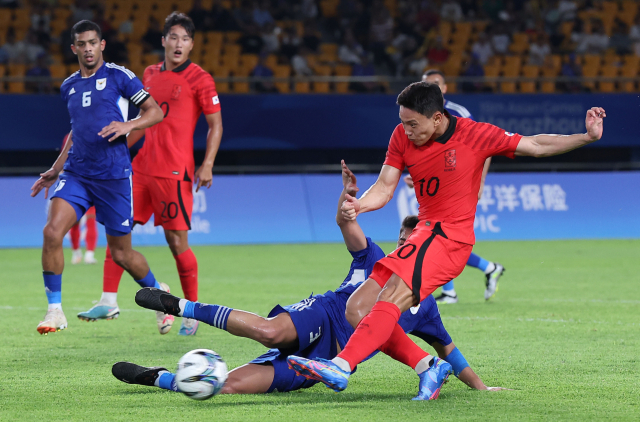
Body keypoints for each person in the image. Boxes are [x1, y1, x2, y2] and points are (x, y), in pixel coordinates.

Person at [287, 81, 606, 397]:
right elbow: (385, 187)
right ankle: (428, 365)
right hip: (425, 234)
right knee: (356, 308)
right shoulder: (402, 136)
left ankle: (342, 366)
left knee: (391, 298)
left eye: (413, 123)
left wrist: (587, 137)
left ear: (437, 118)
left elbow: (535, 145)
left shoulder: (476, 134)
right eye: (403, 122)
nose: (406, 130)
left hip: (450, 238)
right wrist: (359, 205)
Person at [112, 161, 505, 397]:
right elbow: (345, 224)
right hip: (323, 313)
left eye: (413, 241)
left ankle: (157, 378)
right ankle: (180, 306)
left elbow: (450, 354)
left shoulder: (427, 309)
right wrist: (347, 200)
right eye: (404, 239)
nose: (406, 246)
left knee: (225, 386)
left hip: (323, 362)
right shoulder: (375, 259)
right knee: (268, 331)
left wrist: (482, 388)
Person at [78, 13, 223, 336]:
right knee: (118, 232)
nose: (178, 43)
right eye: (173, 36)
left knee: (176, 242)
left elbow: (216, 125)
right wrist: (116, 150)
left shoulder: (201, 79)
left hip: (174, 173)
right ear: (163, 40)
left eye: (185, 39)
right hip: (140, 170)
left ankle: (192, 311)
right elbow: (142, 120)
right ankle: (108, 299)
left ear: (192, 45)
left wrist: (208, 163)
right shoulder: (149, 73)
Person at [30, 20, 169, 335]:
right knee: (52, 233)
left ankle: (160, 296)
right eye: (82, 44)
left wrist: (128, 125)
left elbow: (156, 111)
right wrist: (55, 168)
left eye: (93, 42)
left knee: (122, 254)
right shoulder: (69, 86)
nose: (88, 48)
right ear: (74, 48)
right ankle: (55, 312)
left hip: (113, 176)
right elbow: (76, 133)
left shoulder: (120, 77)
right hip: (77, 172)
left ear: (102, 45)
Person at [421, 69, 504, 304]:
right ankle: (487, 269)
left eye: (437, 83)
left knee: (438, 236)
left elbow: (484, 146)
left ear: (445, 88)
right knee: (441, 238)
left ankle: (452, 290)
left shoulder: (459, 113)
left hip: (460, 186)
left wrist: (480, 181)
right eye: (427, 84)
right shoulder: (420, 116)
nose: (433, 88)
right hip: (436, 187)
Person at [60, 133, 98, 265]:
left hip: (92, 181)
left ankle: (89, 254)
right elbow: (64, 158)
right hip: (74, 182)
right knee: (74, 220)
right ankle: (76, 253)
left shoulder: (96, 135)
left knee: (91, 218)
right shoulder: (69, 137)